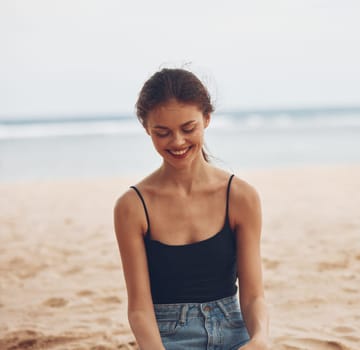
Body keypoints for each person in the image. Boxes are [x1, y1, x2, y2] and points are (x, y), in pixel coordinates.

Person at [113, 68, 270, 350]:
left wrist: (259, 338)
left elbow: (252, 296)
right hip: (166, 339)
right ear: (147, 128)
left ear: (206, 119)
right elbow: (138, 309)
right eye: (162, 133)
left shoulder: (241, 197)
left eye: (188, 129)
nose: (177, 142)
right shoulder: (132, 206)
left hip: (234, 332)